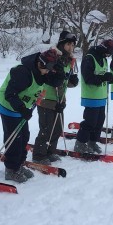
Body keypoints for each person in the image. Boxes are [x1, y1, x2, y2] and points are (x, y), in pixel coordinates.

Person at [0, 48, 64, 182]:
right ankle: (11, 169)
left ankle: (19, 165)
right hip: (9, 107)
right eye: (47, 69)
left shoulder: (42, 70)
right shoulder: (22, 72)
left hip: (22, 107)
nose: (48, 72)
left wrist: (60, 72)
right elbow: (10, 94)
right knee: (14, 139)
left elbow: (55, 82)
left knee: (24, 137)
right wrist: (22, 109)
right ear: (40, 64)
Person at [32, 31, 79, 163]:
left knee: (57, 128)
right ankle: (39, 155)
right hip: (46, 98)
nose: (70, 48)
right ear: (62, 44)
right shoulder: (52, 56)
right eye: (68, 44)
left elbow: (65, 80)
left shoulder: (69, 60)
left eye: (72, 45)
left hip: (60, 99)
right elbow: (46, 77)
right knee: (46, 129)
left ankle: (50, 151)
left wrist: (72, 81)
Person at [74, 39, 113, 154]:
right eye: (108, 52)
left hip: (101, 96)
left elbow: (103, 75)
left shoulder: (103, 59)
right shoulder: (89, 58)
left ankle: (92, 142)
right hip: (91, 96)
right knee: (90, 121)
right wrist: (103, 78)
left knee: (99, 121)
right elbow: (88, 78)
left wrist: (111, 78)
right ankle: (80, 143)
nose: (108, 55)